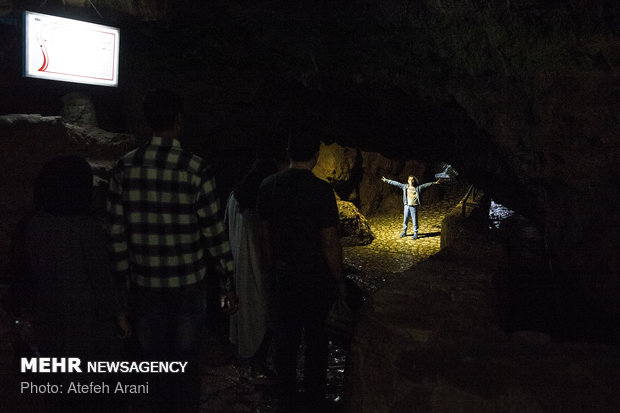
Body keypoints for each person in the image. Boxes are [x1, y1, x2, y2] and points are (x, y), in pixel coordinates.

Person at [106, 88, 237, 413]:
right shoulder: (196, 168)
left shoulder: (124, 168)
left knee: (155, 367)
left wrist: (122, 290)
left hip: (145, 285)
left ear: (148, 122)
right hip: (188, 285)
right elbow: (213, 232)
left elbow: (116, 235)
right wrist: (228, 281)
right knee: (186, 365)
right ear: (179, 122)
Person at [16, 155, 129, 412]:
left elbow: (27, 275)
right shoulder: (87, 229)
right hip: (89, 326)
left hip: (50, 318)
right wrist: (119, 315)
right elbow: (101, 279)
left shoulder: (33, 224)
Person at [256, 132, 346, 410]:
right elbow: (329, 242)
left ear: (288, 150)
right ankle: (314, 397)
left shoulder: (268, 186)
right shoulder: (321, 191)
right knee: (318, 339)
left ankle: (286, 395)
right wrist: (340, 282)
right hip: (316, 278)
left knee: (286, 338)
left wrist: (271, 269)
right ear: (316, 156)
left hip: (285, 275)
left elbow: (265, 235)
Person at [225, 152, 278, 377]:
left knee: (244, 314)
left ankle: (244, 360)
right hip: (256, 267)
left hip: (238, 266)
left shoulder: (233, 198)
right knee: (261, 314)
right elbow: (265, 239)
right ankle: (258, 365)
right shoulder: (258, 205)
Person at [381, 175, 440, 239]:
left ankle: (415, 233)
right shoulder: (405, 187)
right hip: (407, 206)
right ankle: (404, 232)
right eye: (409, 180)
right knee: (405, 219)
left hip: (413, 206)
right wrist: (387, 180)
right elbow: (396, 183)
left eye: (412, 180)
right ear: (408, 181)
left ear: (414, 181)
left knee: (414, 220)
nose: (411, 181)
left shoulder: (417, 188)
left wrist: (435, 183)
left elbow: (426, 185)